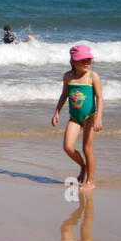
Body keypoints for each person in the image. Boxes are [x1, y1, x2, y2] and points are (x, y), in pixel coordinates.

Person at [51, 44, 103, 190]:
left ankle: (90, 182)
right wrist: (57, 112)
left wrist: (98, 117)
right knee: (68, 147)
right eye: (82, 60)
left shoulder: (92, 76)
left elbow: (99, 98)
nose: (86, 63)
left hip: (90, 117)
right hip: (74, 118)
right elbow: (64, 95)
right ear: (73, 61)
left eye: (89, 60)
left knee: (87, 149)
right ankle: (83, 166)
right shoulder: (68, 76)